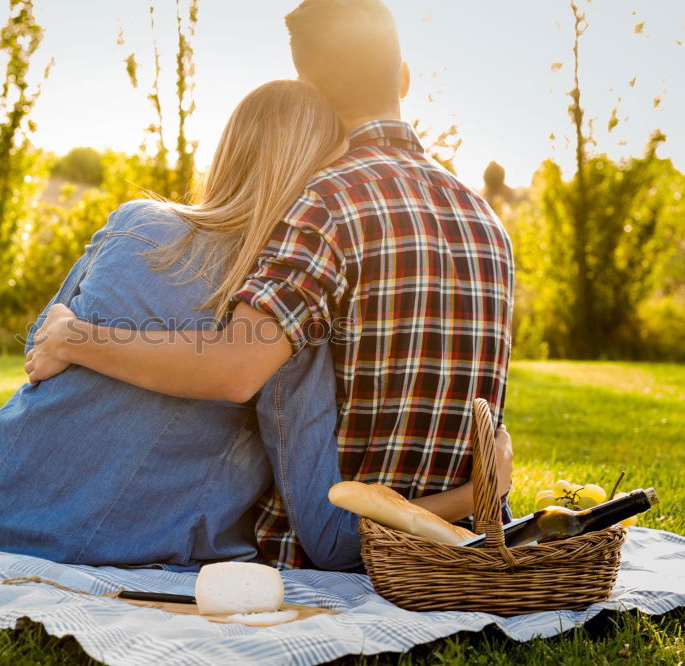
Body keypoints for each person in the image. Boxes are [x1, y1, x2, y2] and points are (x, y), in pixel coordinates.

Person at [0, 79, 511, 571]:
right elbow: (330, 541)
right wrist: (472, 496)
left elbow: (42, 350)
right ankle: (37, 533)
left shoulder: (134, 222)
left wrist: (79, 341)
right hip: (126, 544)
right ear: (320, 176)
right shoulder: (280, 319)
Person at [26, 0, 515, 569]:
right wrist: (481, 493)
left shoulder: (328, 202)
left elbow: (234, 369)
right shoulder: (485, 218)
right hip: (466, 538)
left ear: (309, 91)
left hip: (326, 541)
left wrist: (73, 338)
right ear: (403, 78)